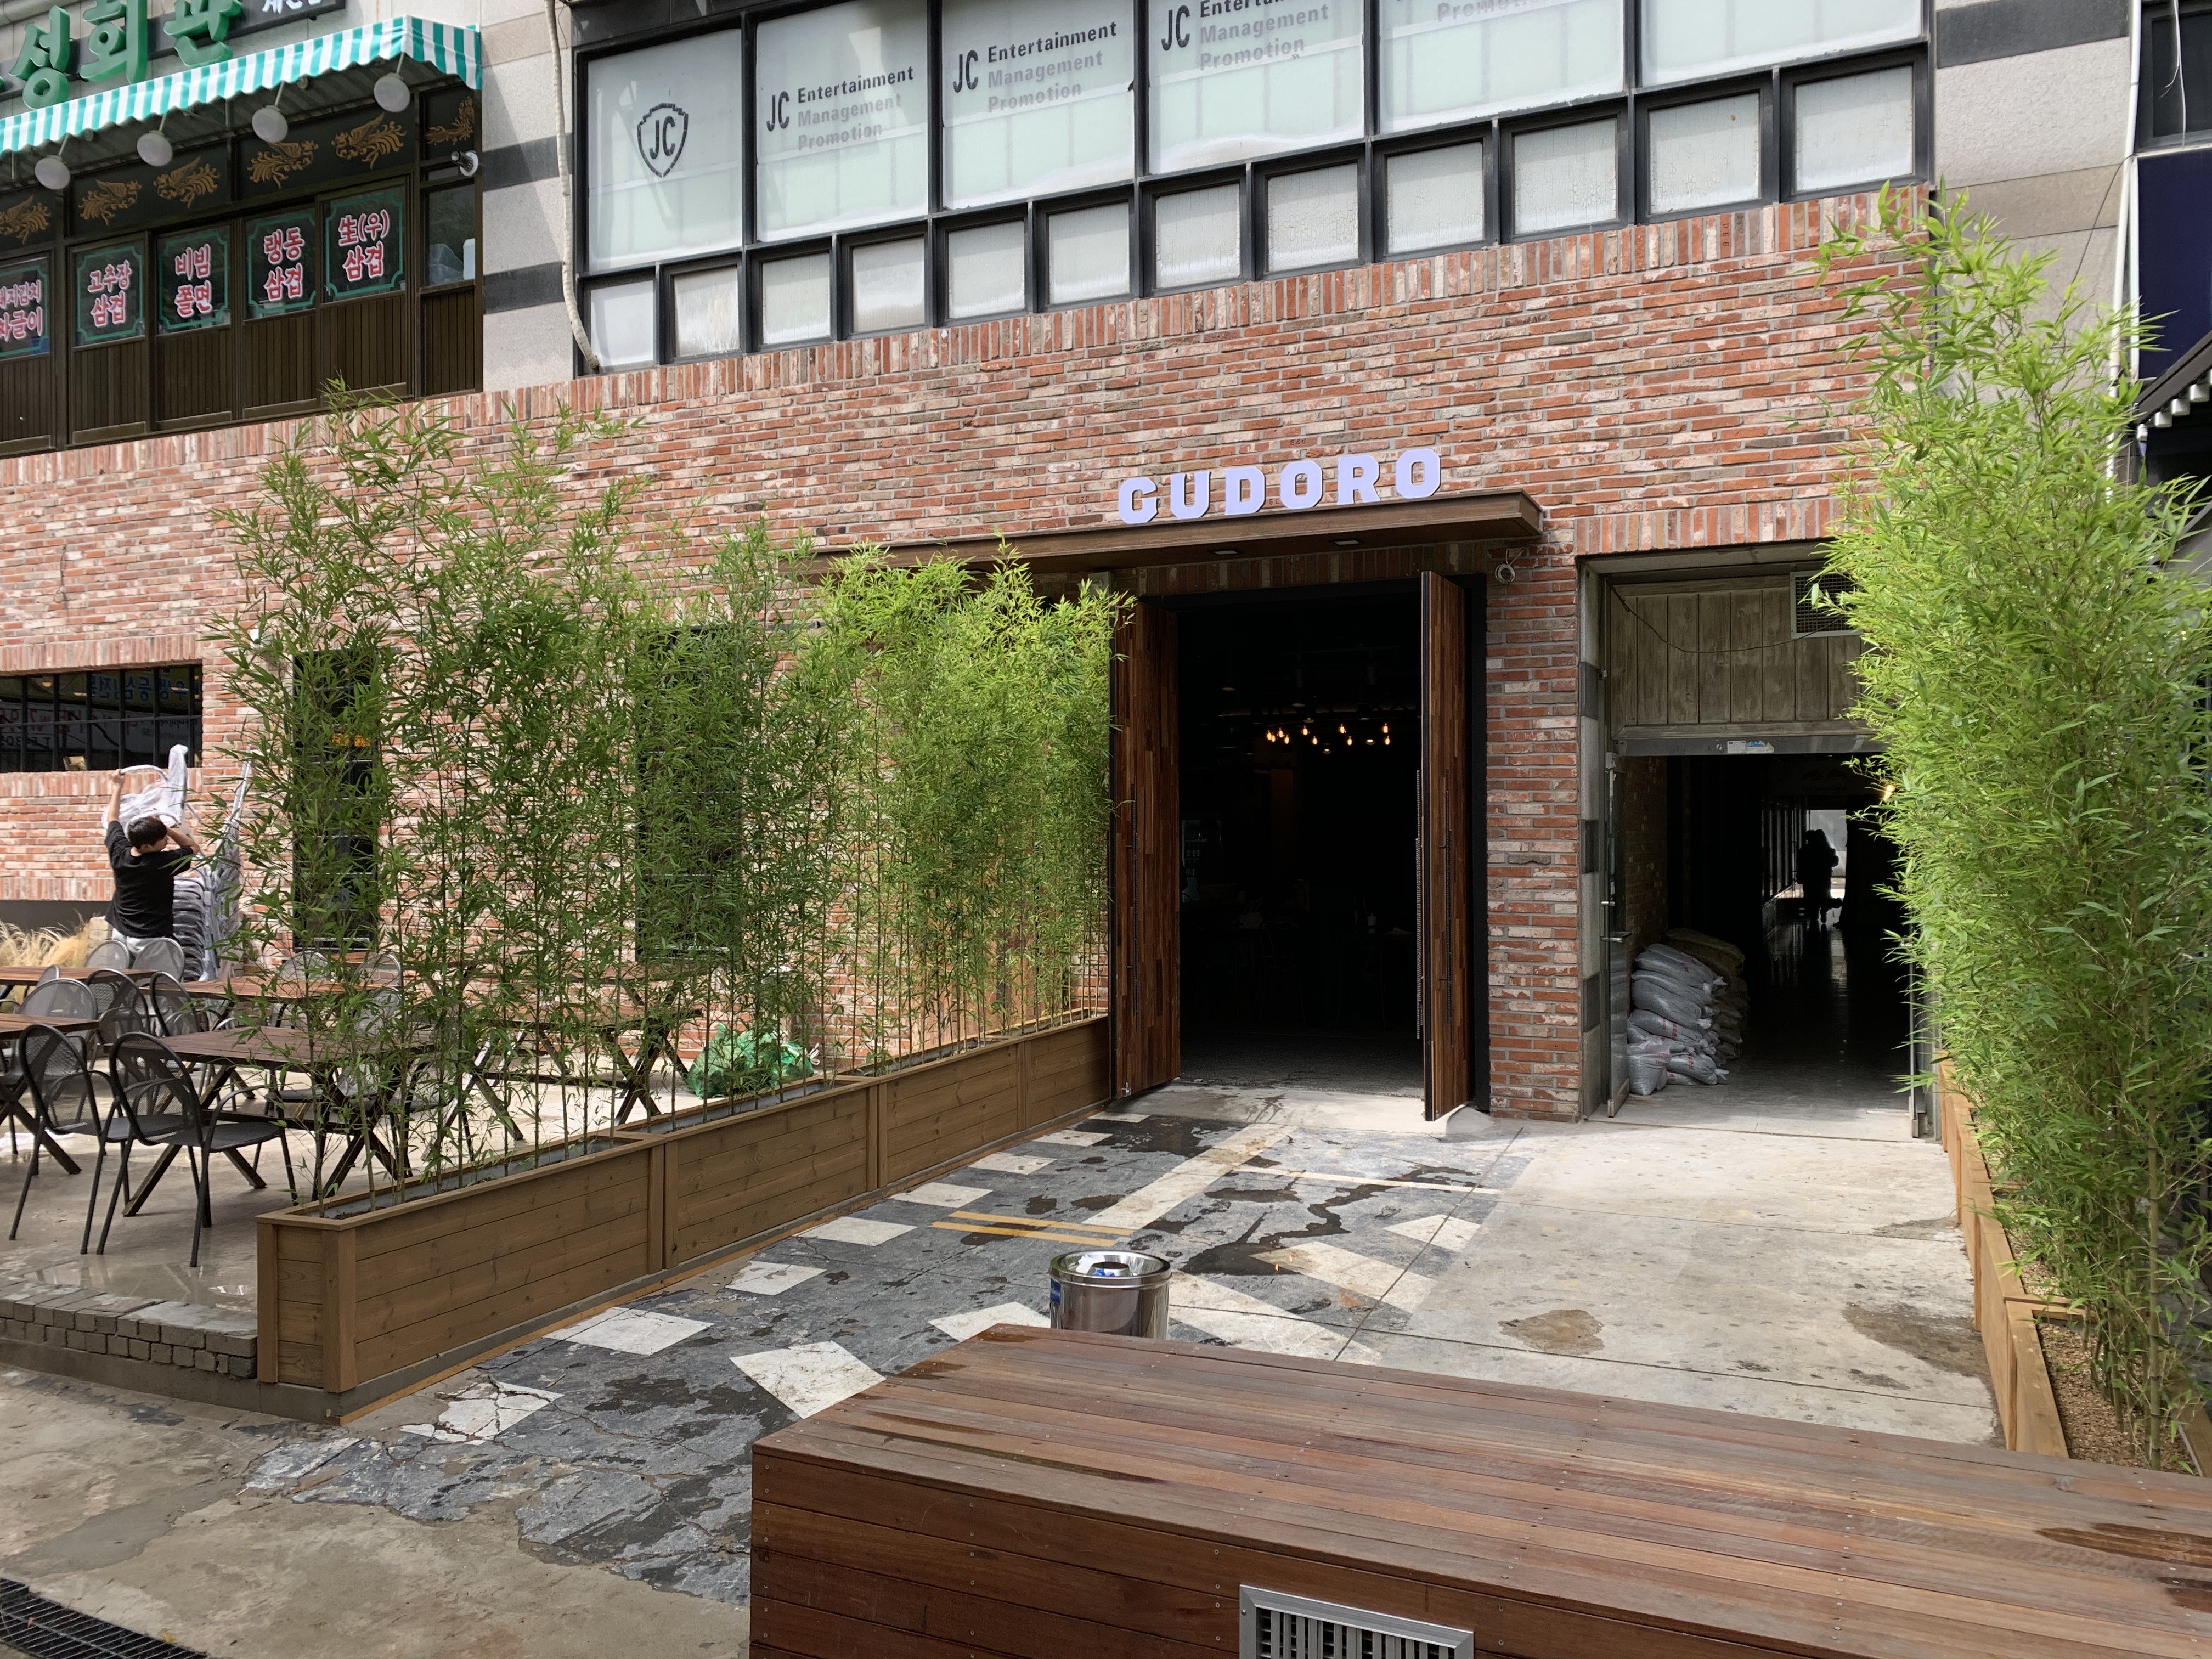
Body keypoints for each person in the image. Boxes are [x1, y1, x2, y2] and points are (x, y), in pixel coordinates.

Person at [102, 768, 201, 954]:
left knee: (122, 973)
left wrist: (117, 787)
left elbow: (112, 819)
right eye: (163, 839)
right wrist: (167, 828)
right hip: (149, 938)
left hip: (120, 933)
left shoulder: (119, 851)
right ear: (147, 846)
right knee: (159, 974)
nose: (167, 841)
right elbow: (193, 848)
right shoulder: (162, 863)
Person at [1796, 828, 1838, 929]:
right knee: (1825, 895)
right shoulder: (1827, 850)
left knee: (1811, 897)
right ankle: (1824, 910)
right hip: (1824, 878)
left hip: (1809, 878)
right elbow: (1834, 861)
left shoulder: (1805, 850)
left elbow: (1801, 864)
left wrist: (1800, 876)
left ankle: (1814, 916)